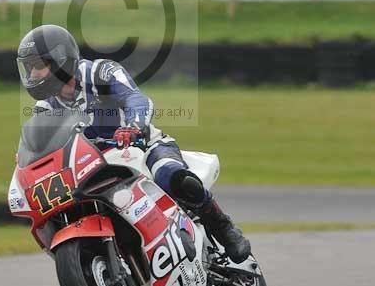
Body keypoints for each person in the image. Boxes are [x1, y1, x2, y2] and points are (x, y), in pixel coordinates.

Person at [17, 24, 251, 263]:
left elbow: (136, 98)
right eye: (30, 68)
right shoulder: (47, 105)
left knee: (172, 177)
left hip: (142, 147)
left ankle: (223, 228)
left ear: (60, 60)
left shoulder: (100, 73)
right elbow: (42, 141)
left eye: (38, 66)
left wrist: (133, 126)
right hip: (96, 163)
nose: (33, 75)